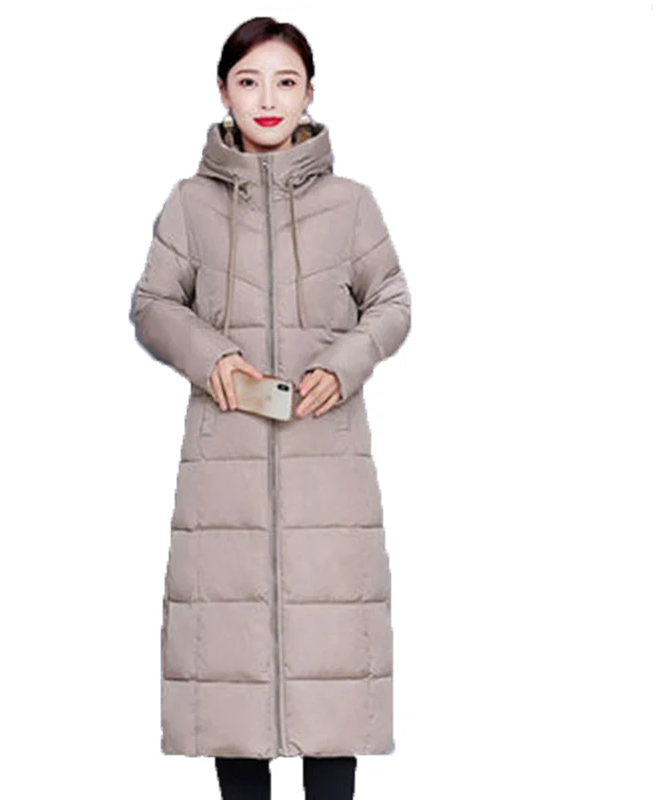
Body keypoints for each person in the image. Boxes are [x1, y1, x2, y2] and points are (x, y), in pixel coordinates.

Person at [129, 16, 412, 800]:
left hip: (329, 470)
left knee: (333, 681)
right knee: (234, 677)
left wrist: (345, 366)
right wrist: (211, 356)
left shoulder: (351, 205)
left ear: (309, 92)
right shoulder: (189, 205)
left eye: (286, 82)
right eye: (249, 81)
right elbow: (153, 303)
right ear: (223, 91)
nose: (267, 98)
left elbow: (392, 301)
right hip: (226, 472)